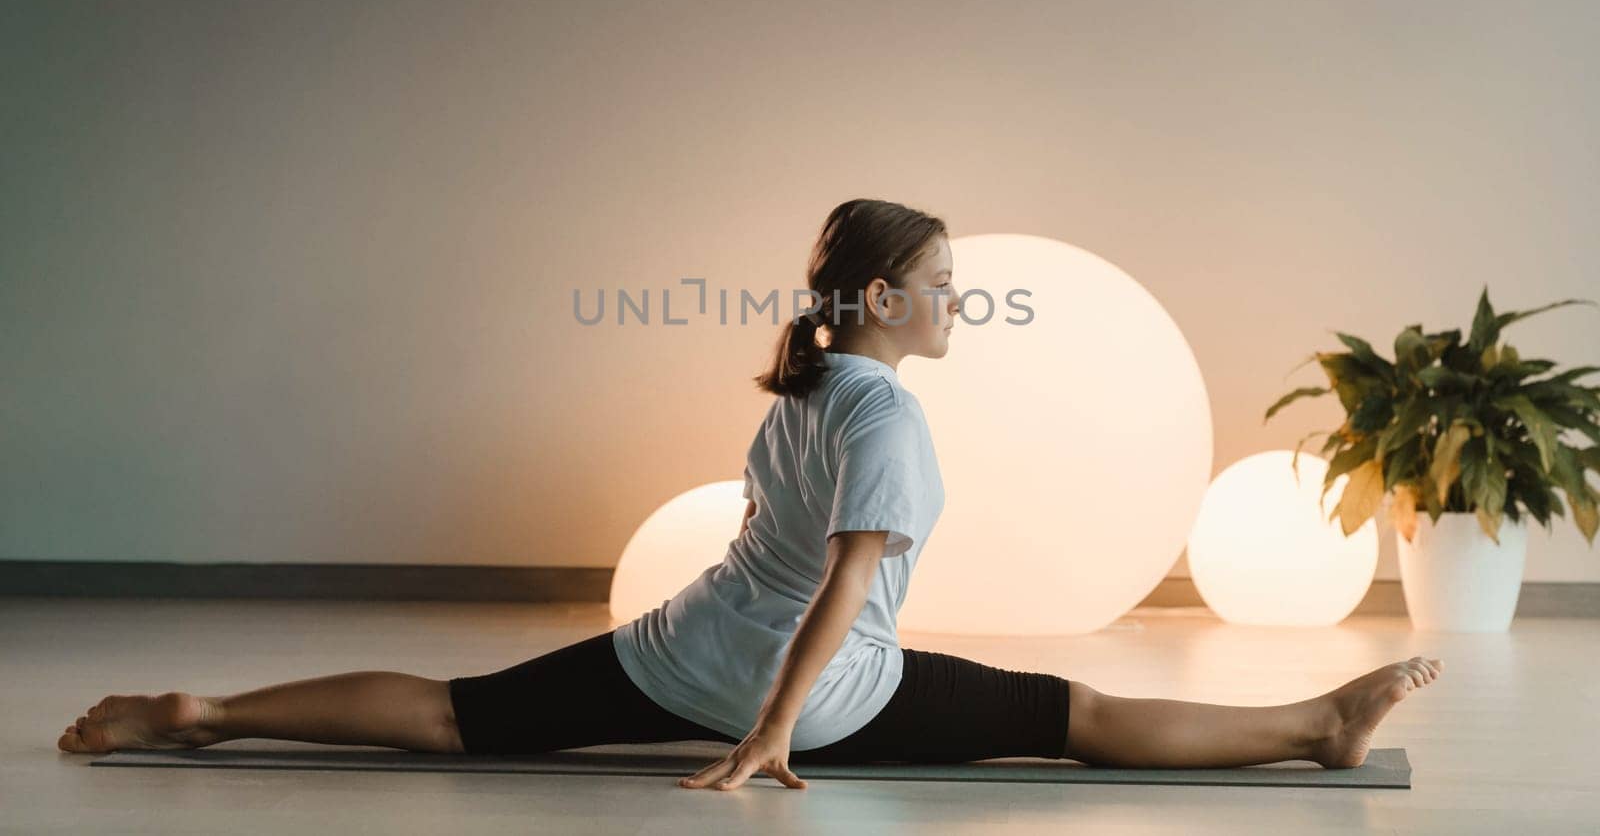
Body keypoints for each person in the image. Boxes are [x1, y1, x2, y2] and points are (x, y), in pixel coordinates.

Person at [56, 198, 1441, 792]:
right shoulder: (888, 414)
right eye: (945, 286)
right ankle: (1314, 726)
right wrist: (773, 739)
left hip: (682, 650)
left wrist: (734, 704)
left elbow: (783, 557)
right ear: (889, 296)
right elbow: (844, 585)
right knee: (1061, 716)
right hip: (801, 691)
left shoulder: (813, 382)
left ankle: (207, 713)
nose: (960, 303)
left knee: (449, 712)